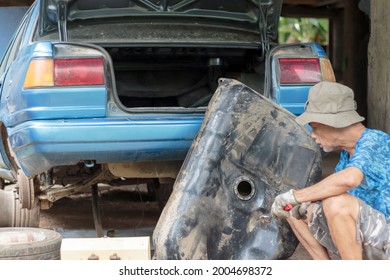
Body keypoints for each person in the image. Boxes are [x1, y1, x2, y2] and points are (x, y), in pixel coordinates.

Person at [271, 81, 390, 260]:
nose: (313, 134)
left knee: (336, 204)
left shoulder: (376, 141)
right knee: (292, 209)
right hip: (371, 238)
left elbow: (349, 180)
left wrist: (298, 195)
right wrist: (297, 201)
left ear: (333, 122)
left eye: (316, 127)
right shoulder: (346, 156)